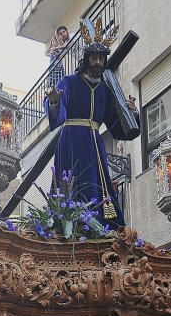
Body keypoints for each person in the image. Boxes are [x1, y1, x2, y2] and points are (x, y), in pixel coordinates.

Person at [45, 20, 138, 228]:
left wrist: (132, 113)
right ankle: (67, 222)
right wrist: (54, 101)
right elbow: (56, 115)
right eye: (94, 58)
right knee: (69, 182)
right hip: (70, 139)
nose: (98, 62)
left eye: (101, 59)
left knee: (97, 183)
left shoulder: (106, 90)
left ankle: (98, 225)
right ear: (87, 59)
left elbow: (116, 125)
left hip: (94, 143)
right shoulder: (68, 82)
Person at [45, 25, 70, 89]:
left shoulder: (60, 46)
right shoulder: (53, 50)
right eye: (60, 34)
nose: (62, 34)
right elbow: (46, 53)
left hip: (58, 68)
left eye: (63, 32)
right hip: (53, 69)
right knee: (53, 83)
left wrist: (56, 35)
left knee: (59, 82)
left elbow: (64, 46)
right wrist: (51, 46)